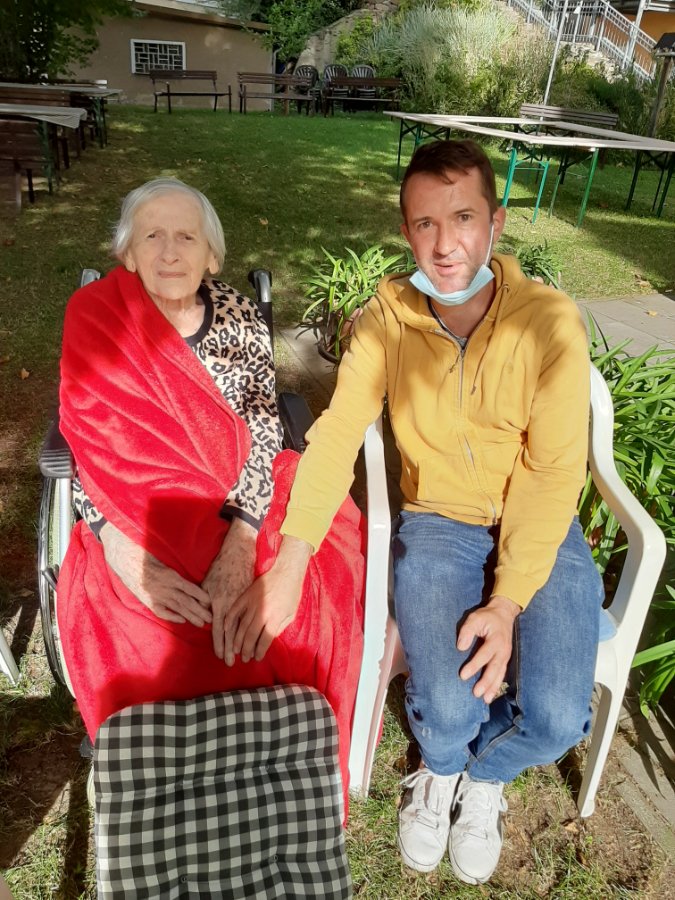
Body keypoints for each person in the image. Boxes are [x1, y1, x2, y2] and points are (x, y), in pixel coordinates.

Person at [226, 140, 604, 884]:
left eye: (463, 218)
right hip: (437, 522)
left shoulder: (549, 321)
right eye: (425, 223)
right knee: (446, 707)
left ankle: (485, 776)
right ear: (406, 232)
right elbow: (337, 433)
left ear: (495, 223)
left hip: (539, 522)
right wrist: (292, 561)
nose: (445, 244)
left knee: (559, 718)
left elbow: (552, 469)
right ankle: (439, 767)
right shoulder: (386, 321)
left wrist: (506, 602)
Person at [57, 178, 365, 806]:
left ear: (212, 257)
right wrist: (115, 543)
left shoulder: (240, 319)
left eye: (186, 237)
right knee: (142, 633)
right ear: (127, 253)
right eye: (152, 235)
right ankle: (169, 796)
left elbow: (263, 431)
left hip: (241, 498)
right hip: (132, 516)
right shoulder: (96, 317)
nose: (170, 252)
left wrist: (242, 541)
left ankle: (278, 788)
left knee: (290, 610)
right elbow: (89, 441)